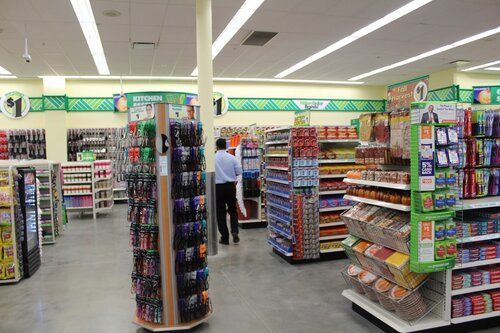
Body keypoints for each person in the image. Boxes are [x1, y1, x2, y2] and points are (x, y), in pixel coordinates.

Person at [215, 138, 242, 245]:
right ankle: (234, 231)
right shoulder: (232, 158)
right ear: (226, 146)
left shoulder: (212, 158)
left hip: (217, 188)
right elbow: (239, 171)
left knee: (220, 213)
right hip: (230, 186)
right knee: (233, 210)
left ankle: (224, 237)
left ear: (216, 146)